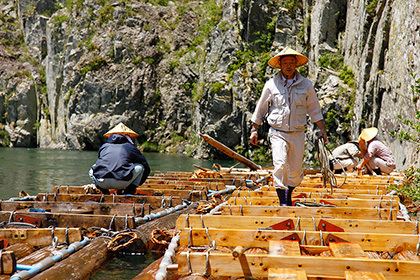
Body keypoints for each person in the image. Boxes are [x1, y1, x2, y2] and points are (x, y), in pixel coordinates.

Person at [250, 47, 327, 206]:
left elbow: (314, 108)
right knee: (280, 164)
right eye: (285, 63)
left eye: (291, 62)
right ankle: (283, 202)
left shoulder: (305, 84)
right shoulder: (271, 85)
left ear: (296, 65)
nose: (289, 66)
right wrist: (254, 129)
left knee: (295, 171)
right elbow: (261, 108)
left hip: (298, 133)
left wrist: (322, 129)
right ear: (280, 64)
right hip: (278, 132)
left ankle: (288, 195)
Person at [89, 122, 150, 195]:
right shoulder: (130, 147)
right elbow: (146, 166)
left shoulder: (104, 146)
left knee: (92, 170)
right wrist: (137, 184)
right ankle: (129, 191)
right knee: (140, 167)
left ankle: (105, 192)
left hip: (102, 182)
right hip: (122, 182)